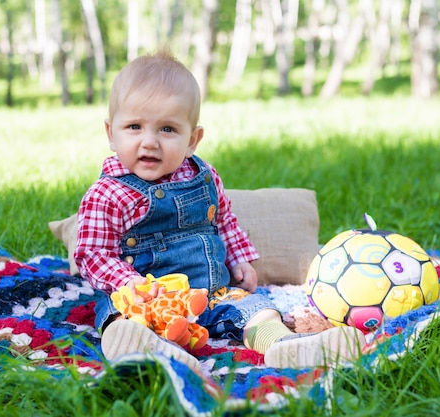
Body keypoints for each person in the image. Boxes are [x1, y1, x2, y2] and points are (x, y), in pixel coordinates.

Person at [74, 49, 365, 370]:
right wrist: (129, 283)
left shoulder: (204, 176)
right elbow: (92, 254)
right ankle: (147, 347)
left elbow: (224, 221)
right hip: (146, 299)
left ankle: (283, 345)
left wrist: (240, 260)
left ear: (192, 139)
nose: (150, 142)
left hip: (212, 291)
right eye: (134, 127)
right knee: (119, 314)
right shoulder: (108, 193)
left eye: (167, 129)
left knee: (257, 308)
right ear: (110, 133)